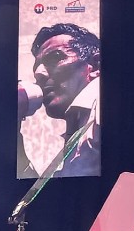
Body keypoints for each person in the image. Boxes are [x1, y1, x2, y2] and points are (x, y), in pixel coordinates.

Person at [18, 22, 101, 178]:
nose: (38, 73)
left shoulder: (102, 106)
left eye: (56, 57)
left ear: (96, 66)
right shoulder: (81, 124)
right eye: (36, 66)